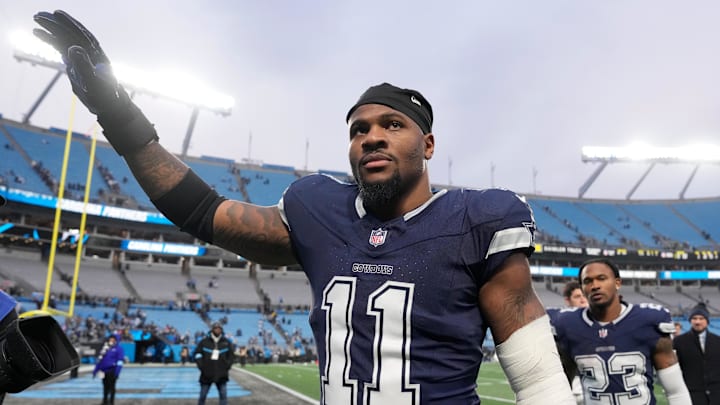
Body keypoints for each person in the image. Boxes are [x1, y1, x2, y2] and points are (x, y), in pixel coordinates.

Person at [33, 10, 576, 404]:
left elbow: (538, 380)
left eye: (392, 125)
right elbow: (201, 211)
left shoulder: (476, 220)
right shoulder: (320, 210)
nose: (371, 137)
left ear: (427, 145)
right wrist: (117, 113)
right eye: (359, 129)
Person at [554, 258, 692, 405]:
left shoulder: (647, 321)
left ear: (617, 283)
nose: (595, 286)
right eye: (588, 281)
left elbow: (676, 391)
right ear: (582, 289)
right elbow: (562, 389)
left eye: (602, 278)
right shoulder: (569, 325)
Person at [547, 281, 588, 405]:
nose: (582, 300)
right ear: (567, 300)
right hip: (571, 383)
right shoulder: (558, 319)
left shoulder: (599, 322)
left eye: (584, 295)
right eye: (577, 296)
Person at [673, 302, 720, 405]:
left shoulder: (717, 341)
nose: (697, 322)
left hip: (716, 395)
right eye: (694, 318)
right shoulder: (679, 342)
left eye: (701, 318)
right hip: (692, 395)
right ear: (690, 321)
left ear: (707, 321)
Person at [193, 322, 235, 405]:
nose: (218, 330)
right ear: (212, 329)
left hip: (222, 374)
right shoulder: (204, 342)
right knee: (202, 396)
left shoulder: (226, 342)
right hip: (206, 374)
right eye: (216, 328)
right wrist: (202, 367)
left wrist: (227, 366)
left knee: (223, 397)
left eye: (219, 328)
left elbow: (231, 356)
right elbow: (197, 354)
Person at [93, 334, 124, 405]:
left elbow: (120, 361)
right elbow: (99, 360)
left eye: (113, 339)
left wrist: (117, 372)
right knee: (105, 387)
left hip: (112, 371)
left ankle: (111, 402)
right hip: (104, 371)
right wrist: (96, 370)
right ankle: (105, 401)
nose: (111, 341)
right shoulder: (105, 348)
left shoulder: (119, 349)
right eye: (110, 339)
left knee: (112, 387)